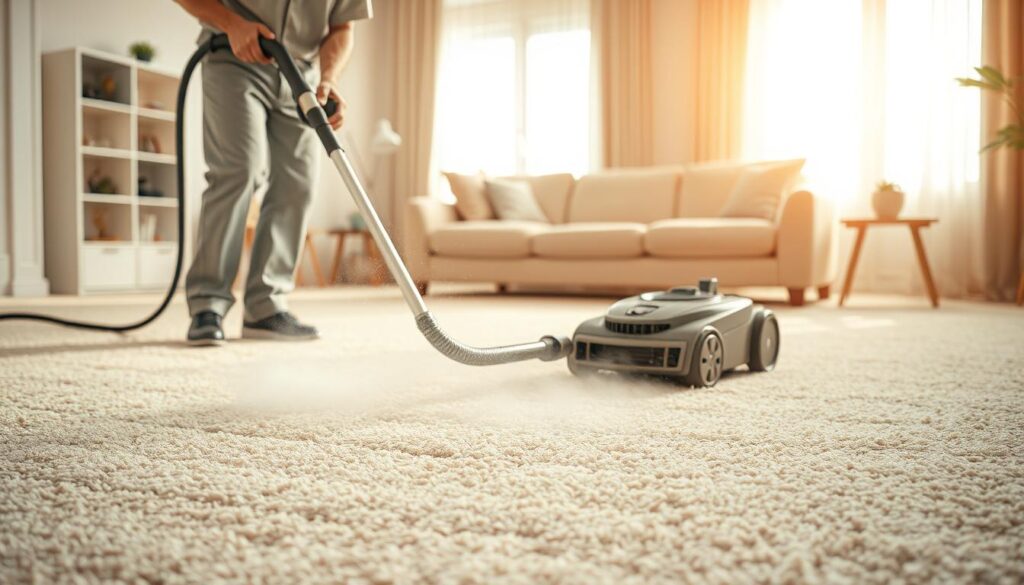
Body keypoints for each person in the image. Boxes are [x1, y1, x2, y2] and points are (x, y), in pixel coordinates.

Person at [175, 0, 372, 346]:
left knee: (299, 183)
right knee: (239, 171)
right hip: (234, 56)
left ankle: (266, 308)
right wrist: (232, 24)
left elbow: (343, 28)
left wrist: (329, 79)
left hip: (303, 76)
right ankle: (208, 304)